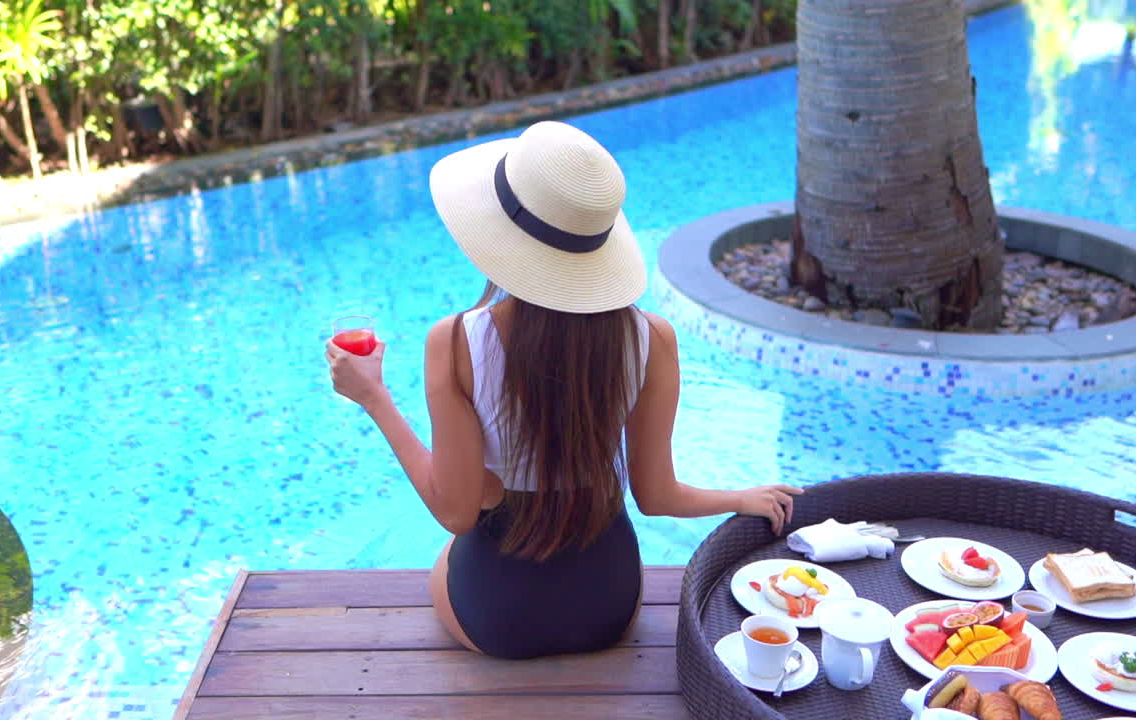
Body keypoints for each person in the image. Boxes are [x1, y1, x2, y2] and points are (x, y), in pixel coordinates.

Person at [326, 120, 803, 659]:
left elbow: (455, 513)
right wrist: (739, 497)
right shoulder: (652, 339)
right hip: (608, 607)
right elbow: (656, 496)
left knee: (457, 538)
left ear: (498, 235)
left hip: (498, 619)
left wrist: (374, 398)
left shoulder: (456, 342)